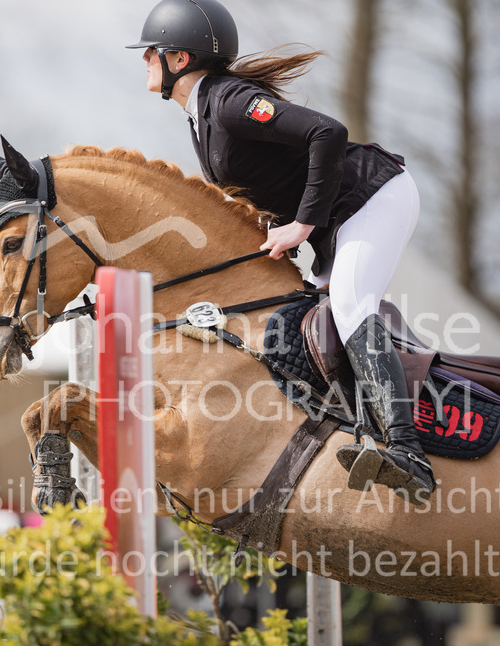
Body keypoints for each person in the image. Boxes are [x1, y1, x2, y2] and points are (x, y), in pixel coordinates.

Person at [127, 0, 435, 503]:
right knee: (305, 319)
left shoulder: (227, 101)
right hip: (341, 218)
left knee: (351, 307)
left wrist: (302, 224)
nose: (143, 61)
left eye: (150, 53)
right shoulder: (201, 115)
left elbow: (327, 132)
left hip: (374, 196)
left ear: (179, 60)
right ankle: (357, 428)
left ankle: (408, 453)